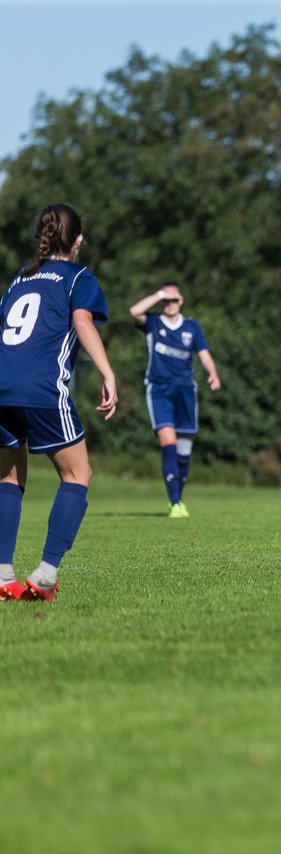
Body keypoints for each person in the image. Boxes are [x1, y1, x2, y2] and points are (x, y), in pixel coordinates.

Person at [0, 203, 117, 602]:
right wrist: (108, 372)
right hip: (42, 388)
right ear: (78, 240)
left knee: (9, 479)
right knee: (77, 475)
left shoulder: (20, 278)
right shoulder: (78, 276)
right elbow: (82, 322)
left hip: (2, 386)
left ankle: (2, 577)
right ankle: (46, 574)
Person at [129, 282, 221, 518]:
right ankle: (175, 503)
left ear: (182, 301)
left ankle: (178, 497)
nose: (170, 304)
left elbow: (204, 355)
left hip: (185, 392)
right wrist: (159, 293)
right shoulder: (153, 323)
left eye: (174, 299)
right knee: (167, 442)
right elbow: (134, 312)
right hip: (159, 390)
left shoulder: (192, 327)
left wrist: (212, 373)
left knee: (184, 454)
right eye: (166, 300)